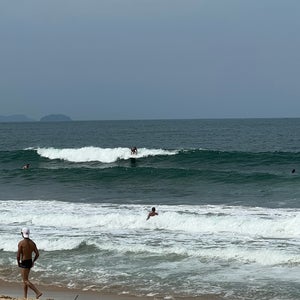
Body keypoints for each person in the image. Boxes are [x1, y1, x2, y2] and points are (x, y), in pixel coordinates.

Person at [17, 227, 42, 299]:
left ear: (22, 233)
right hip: (30, 261)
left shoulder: (21, 243)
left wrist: (18, 263)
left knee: (25, 280)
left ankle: (38, 292)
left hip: (24, 262)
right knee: (25, 279)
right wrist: (33, 261)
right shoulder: (32, 243)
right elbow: (37, 254)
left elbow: (18, 255)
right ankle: (25, 297)